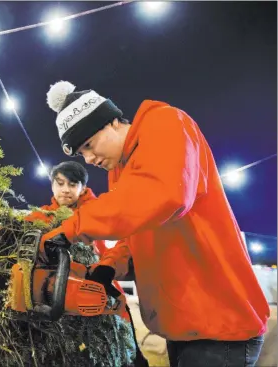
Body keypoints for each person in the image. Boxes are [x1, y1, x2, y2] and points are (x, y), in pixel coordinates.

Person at [37, 80, 270, 367]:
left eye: (89, 144)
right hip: (187, 327)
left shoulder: (165, 123)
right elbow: (136, 234)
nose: (89, 158)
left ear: (111, 122)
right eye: (81, 153)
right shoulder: (122, 171)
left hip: (219, 325)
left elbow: (164, 194)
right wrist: (110, 266)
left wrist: (73, 227)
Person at [25, 161, 149, 367]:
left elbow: (127, 241)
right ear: (52, 185)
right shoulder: (42, 217)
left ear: (83, 187)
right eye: (60, 183)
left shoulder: (99, 212)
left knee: (126, 354)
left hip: (102, 293)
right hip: (60, 299)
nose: (65, 190)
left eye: (72, 184)